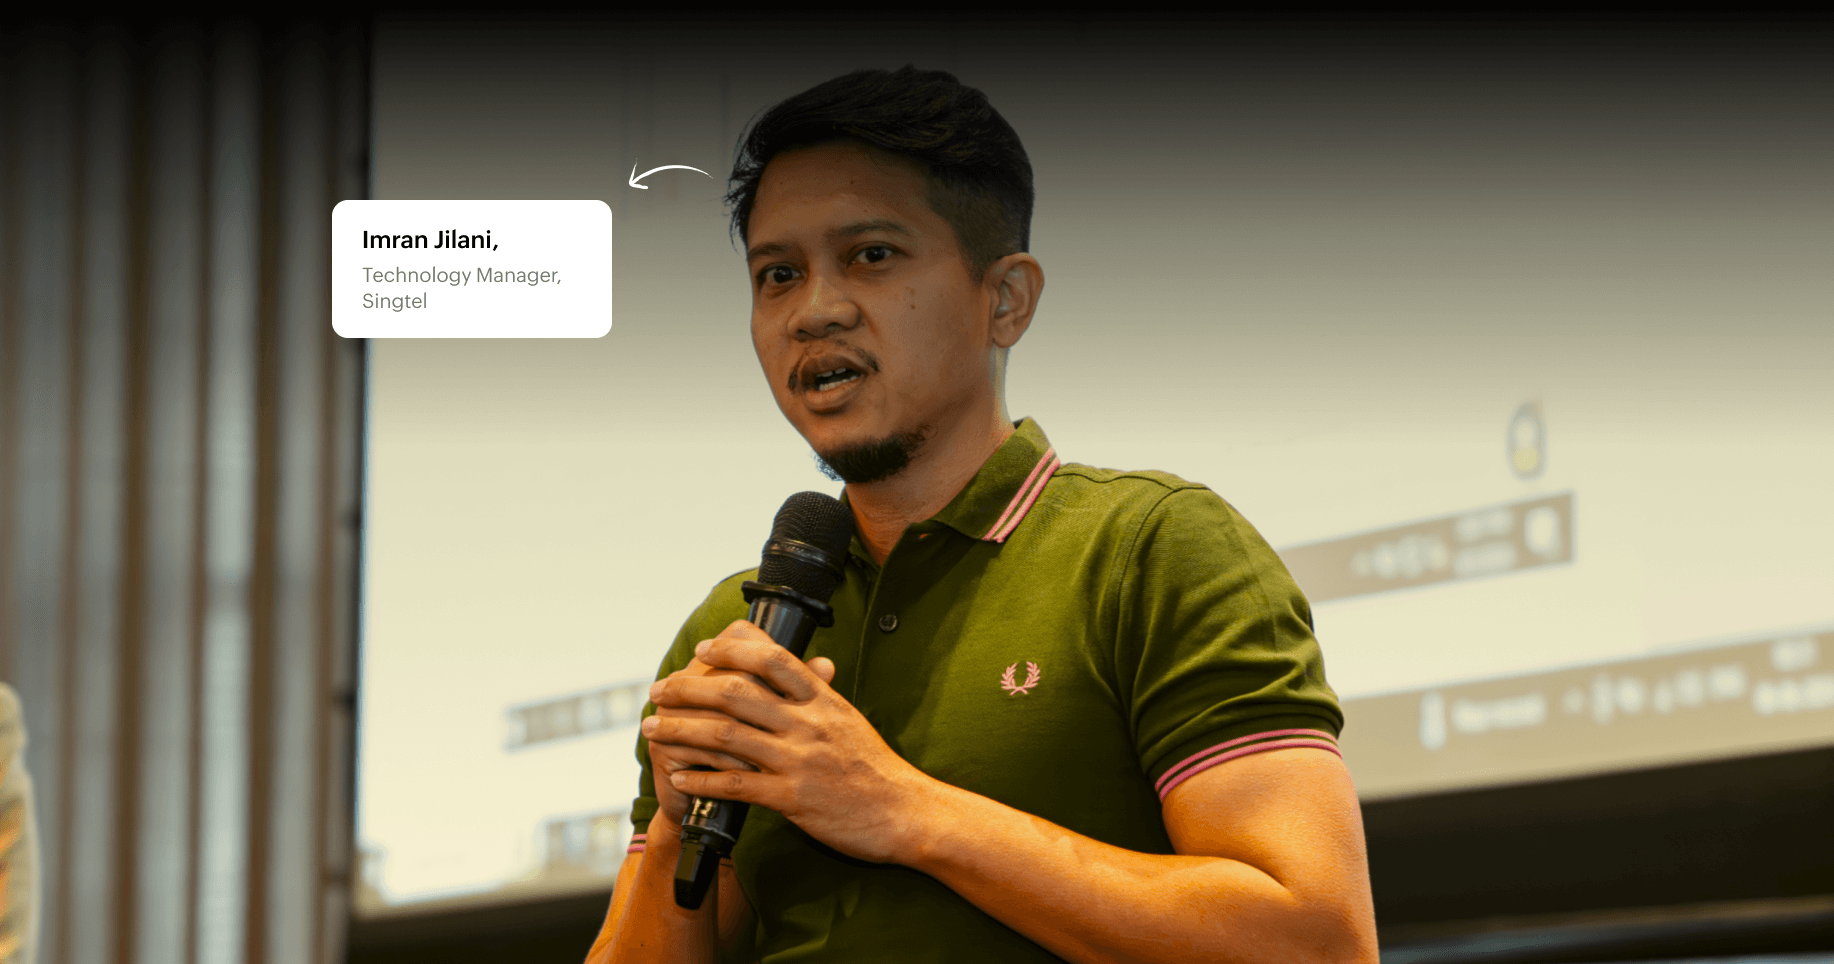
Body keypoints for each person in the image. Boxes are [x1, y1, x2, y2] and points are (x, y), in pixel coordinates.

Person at [588, 66, 1377, 964]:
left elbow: (1318, 942)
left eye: (871, 256)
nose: (815, 312)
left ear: (1006, 300)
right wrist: (679, 827)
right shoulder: (735, 633)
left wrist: (899, 808)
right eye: (778, 274)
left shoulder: (1153, 548)